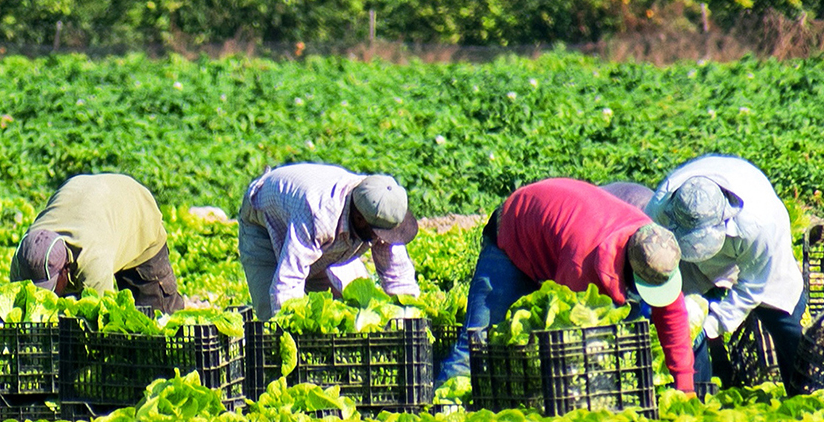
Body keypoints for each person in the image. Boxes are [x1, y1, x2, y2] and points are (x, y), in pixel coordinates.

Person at [434, 178, 693, 393]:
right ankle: (444, 408)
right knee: (478, 345)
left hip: (557, 231)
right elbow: (568, 340)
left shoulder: (658, 251)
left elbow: (673, 318)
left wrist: (685, 388)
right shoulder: (583, 263)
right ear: (627, 268)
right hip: (514, 231)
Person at [648, 154, 811, 394]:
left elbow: (754, 287)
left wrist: (713, 324)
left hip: (755, 255)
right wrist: (697, 326)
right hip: (684, 261)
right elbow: (657, 267)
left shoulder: (761, 223)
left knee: (785, 321)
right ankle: (695, 399)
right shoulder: (659, 210)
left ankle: (805, 394)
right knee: (687, 325)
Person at [237, 163, 420, 322]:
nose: (381, 240)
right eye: (378, 233)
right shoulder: (318, 215)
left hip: (310, 228)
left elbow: (398, 275)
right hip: (263, 224)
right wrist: (290, 329)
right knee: (271, 315)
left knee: (340, 311)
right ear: (359, 218)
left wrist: (406, 315)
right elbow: (289, 281)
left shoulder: (378, 203)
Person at [12, 172, 185, 313]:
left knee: (156, 316)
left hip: (133, 208)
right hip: (82, 193)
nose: (43, 295)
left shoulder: (93, 260)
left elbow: (102, 318)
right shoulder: (23, 257)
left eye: (50, 287)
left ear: (65, 269)